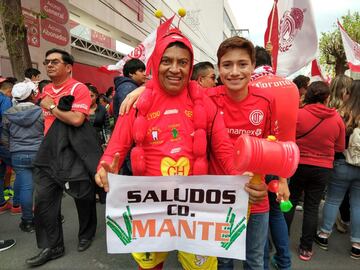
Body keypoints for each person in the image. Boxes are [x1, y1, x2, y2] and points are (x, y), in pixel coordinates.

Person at [96, 27, 267, 270]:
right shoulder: (136, 103)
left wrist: (244, 179)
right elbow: (116, 147)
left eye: (182, 62)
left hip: (197, 209)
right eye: (167, 61)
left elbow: (224, 150)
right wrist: (105, 167)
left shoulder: (205, 103)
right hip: (150, 209)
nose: (175, 68)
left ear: (190, 66)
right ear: (156, 63)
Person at [26, 48, 98, 267]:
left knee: (83, 196)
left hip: (73, 153)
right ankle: (52, 246)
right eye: (47, 62)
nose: (49, 65)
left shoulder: (79, 89)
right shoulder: (46, 88)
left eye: (55, 62)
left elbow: (77, 119)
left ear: (68, 67)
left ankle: (86, 233)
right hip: (48, 153)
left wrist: (53, 106)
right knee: (44, 201)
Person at [284, 81, 346, 261]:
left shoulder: (299, 114)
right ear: (327, 98)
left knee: (291, 200)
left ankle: (282, 240)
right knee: (311, 207)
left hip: (298, 164)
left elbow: (289, 138)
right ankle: (306, 248)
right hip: (323, 168)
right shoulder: (337, 119)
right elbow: (340, 147)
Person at [250, 46, 298, 270]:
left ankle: (263, 263)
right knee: (277, 213)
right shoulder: (291, 86)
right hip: (284, 161)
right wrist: (285, 176)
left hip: (259, 159)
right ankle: (285, 262)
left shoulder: (251, 85)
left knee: (258, 215)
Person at [315, 80, 360, 260]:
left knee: (333, 199)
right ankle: (357, 244)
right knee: (358, 203)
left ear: (350, 94)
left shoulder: (342, 114)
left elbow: (336, 141)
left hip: (342, 163)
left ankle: (324, 234)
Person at [2, 81, 44, 233]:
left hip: (18, 154)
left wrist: (13, 148)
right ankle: (48, 217)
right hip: (39, 152)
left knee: (26, 188)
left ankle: (27, 221)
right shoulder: (40, 112)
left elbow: (4, 137)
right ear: (31, 95)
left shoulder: (8, 114)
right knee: (43, 187)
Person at [0, 78, 18, 214]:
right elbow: (7, 120)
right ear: (9, 91)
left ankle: (3, 202)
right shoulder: (5, 100)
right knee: (20, 170)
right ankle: (16, 204)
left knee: (2, 172)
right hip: (3, 140)